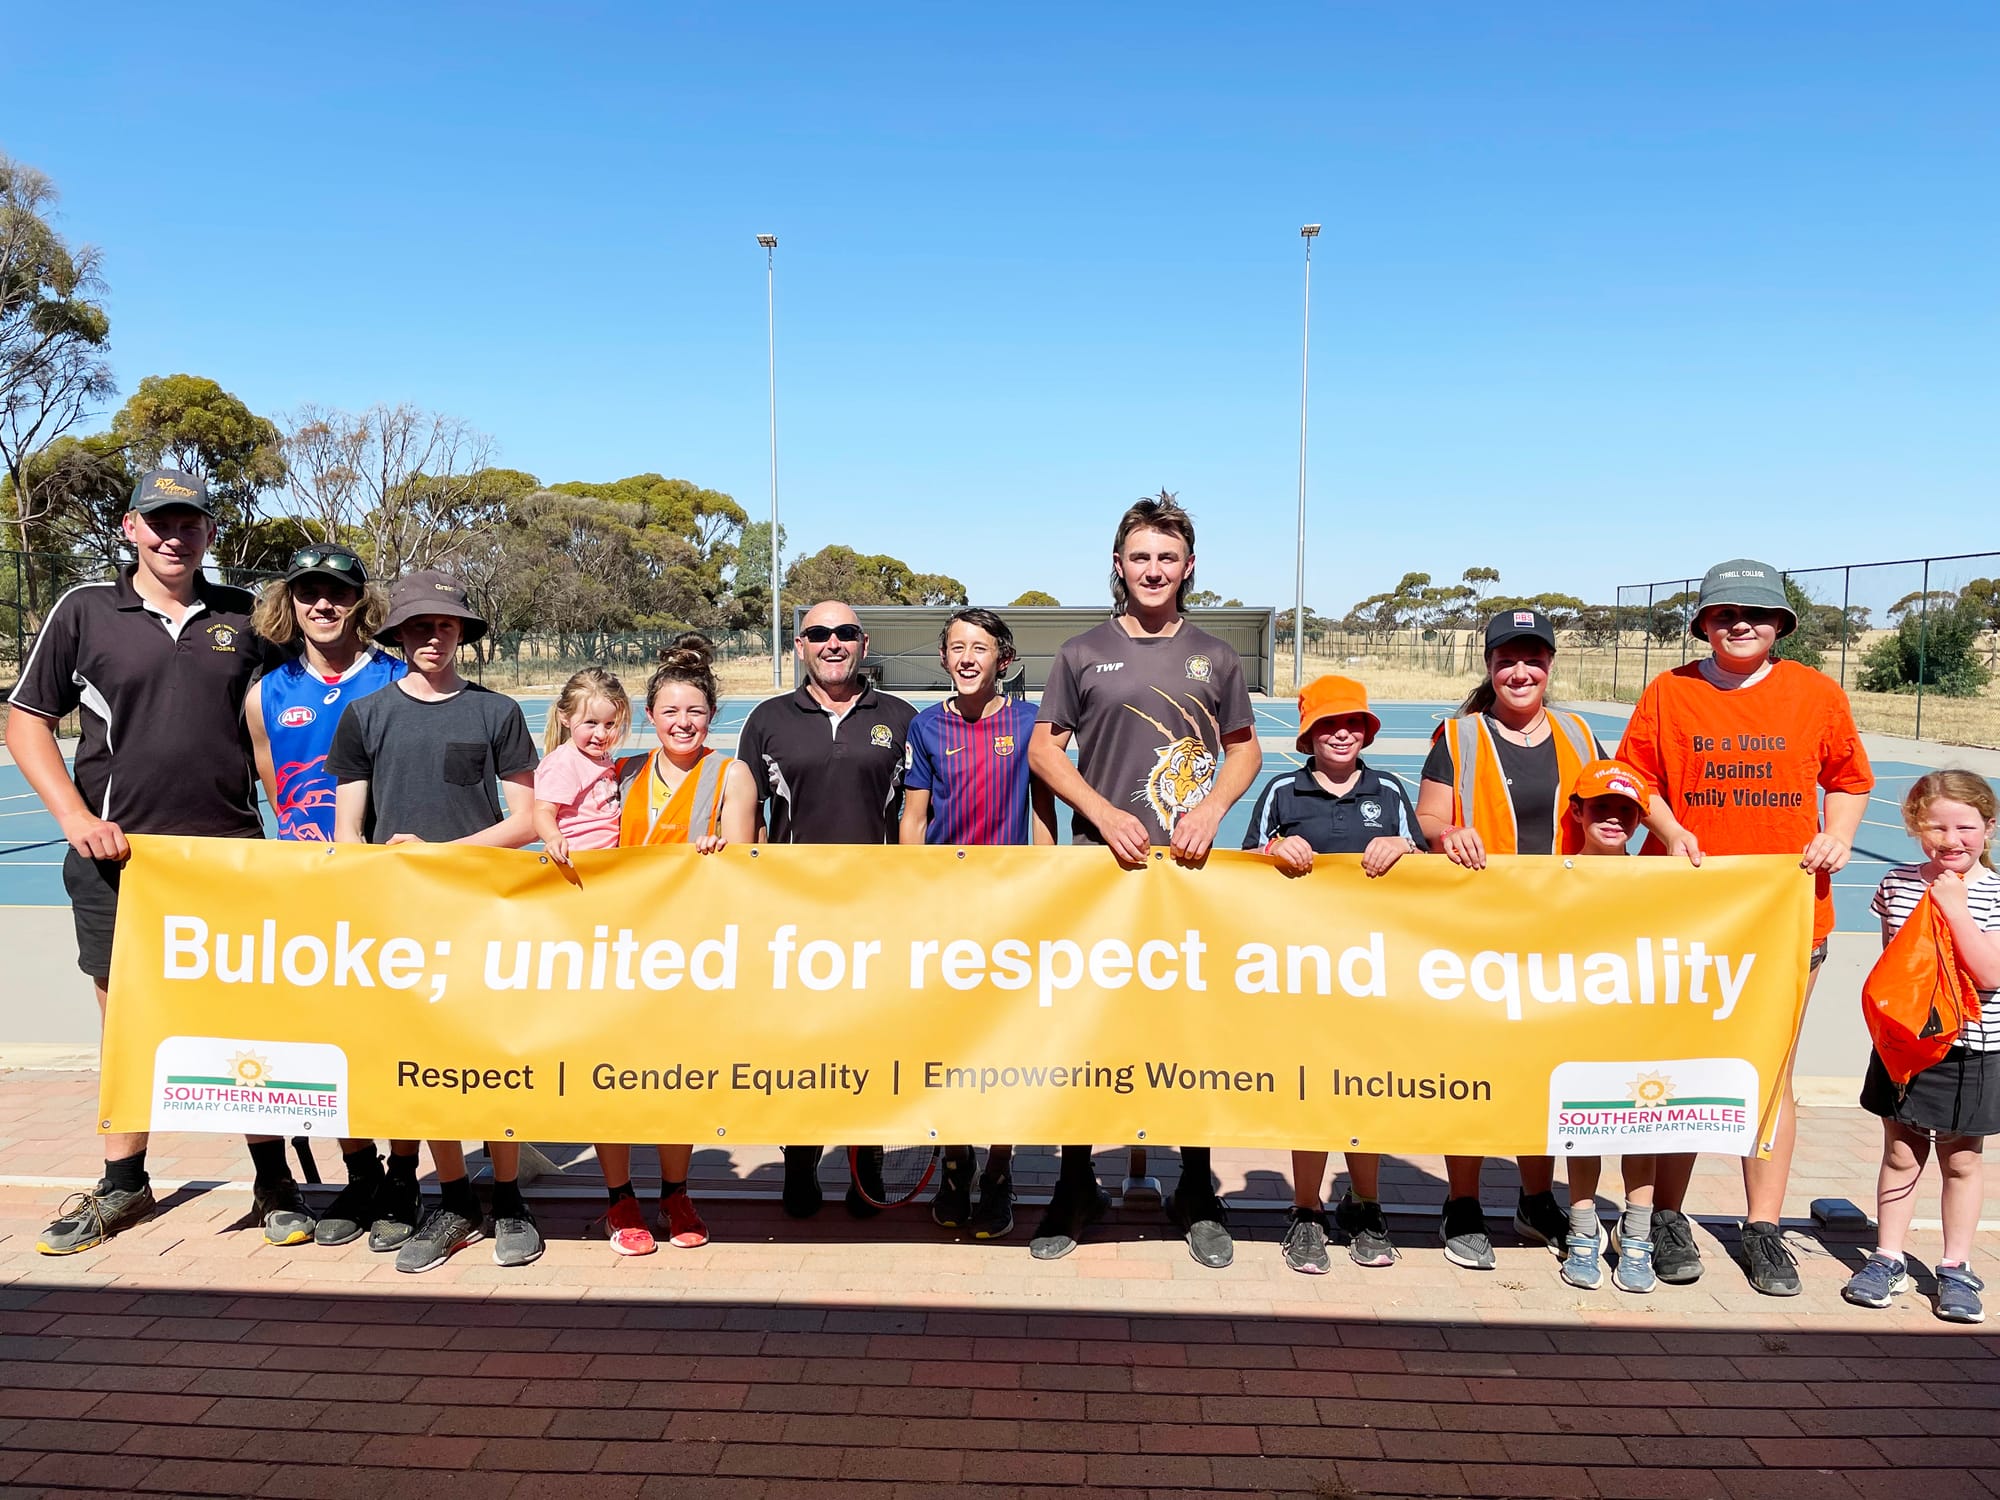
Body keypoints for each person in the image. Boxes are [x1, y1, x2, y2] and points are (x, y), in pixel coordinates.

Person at [7, 470, 303, 1255]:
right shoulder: (85, 610)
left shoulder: (246, 617)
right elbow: (25, 718)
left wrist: (304, 825)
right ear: (131, 528)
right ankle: (124, 1182)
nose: (176, 536)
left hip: (230, 859)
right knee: (127, 1028)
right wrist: (73, 817)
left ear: (210, 532)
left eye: (192, 522)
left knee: (246, 1022)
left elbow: (285, 724)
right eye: (160, 521)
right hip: (123, 863)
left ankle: (274, 1178)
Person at [1618, 558, 1874, 1296]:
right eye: (1727, 612)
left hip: (1787, 913)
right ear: (1703, 622)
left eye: (1759, 614)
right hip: (1687, 915)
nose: (1742, 624)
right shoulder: (1671, 692)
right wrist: (1667, 830)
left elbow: (1850, 780)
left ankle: (1763, 1229)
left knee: (1767, 1074)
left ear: (1781, 626)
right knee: (1678, 1066)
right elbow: (1635, 780)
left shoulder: (1814, 693)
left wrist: (1840, 836)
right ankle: (1666, 1216)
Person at [1027, 494, 1262, 1266]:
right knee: (1084, 1028)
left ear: (1188, 568)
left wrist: (1211, 808)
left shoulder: (1216, 657)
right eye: (1140, 557)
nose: (1153, 570)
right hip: (1102, 870)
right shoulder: (1080, 653)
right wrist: (1102, 811)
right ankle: (1074, 1182)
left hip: (1186, 876)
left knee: (1188, 1031)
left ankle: (1194, 1185)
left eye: (1167, 557)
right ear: (1119, 567)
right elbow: (1045, 751)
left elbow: (1244, 750)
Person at [327, 571, 542, 1273]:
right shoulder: (365, 716)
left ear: (461, 634)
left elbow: (527, 821)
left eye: (445, 625)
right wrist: (375, 886)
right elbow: (349, 831)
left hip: (485, 917)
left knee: (493, 1061)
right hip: (400, 927)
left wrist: (439, 857)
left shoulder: (498, 713)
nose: (432, 636)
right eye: (418, 625)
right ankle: (453, 1198)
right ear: (397, 634)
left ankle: (508, 1196)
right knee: (429, 1065)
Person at [245, 543, 424, 1252]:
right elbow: (274, 792)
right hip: (308, 895)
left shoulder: (397, 677)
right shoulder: (265, 693)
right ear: (290, 602)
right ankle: (360, 1171)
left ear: (360, 601)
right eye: (309, 592)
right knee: (326, 1041)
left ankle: (406, 1172)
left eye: (338, 592)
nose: (323, 604)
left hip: (388, 890)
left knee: (399, 1035)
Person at [1415, 607, 1605, 1269]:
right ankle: (1461, 1203)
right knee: (1471, 1069)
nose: (1519, 671)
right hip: (1479, 931)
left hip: (1560, 931)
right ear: (1490, 666)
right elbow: (1432, 815)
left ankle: (1534, 1198)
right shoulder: (1459, 736)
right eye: (1506, 659)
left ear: (1550, 665)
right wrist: (1448, 834)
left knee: (1544, 1069)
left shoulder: (1581, 735)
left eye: (1533, 659)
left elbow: (1612, 813)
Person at [737, 600, 917, 1218]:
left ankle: (866, 1165)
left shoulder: (901, 718)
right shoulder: (766, 720)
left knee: (869, 1041)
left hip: (876, 917)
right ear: (800, 646)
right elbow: (749, 825)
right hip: (795, 919)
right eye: (818, 634)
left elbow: (915, 821)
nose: (831, 643)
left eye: (843, 633)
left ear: (863, 643)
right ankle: (800, 1159)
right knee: (800, 1045)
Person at [1245, 675, 1422, 1275]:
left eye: (1352, 723)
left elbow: (1427, 870)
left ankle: (1367, 1206)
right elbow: (1241, 867)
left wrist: (1403, 849)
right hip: (1305, 971)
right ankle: (1305, 1211)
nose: (1341, 733)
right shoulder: (1281, 792)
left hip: (1376, 971)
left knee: (1369, 1086)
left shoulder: (1391, 790)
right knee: (1312, 1088)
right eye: (1328, 724)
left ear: (1367, 731)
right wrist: (1273, 853)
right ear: (1309, 735)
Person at [589, 637, 756, 1254]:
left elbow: (744, 863)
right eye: (669, 712)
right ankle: (618, 1198)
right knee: (606, 1073)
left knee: (677, 1075)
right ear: (651, 716)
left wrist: (720, 855)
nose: (683, 723)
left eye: (695, 712)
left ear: (712, 717)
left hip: (689, 949)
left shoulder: (729, 773)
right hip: (617, 945)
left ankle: (676, 1191)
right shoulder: (623, 772)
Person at [899, 607, 1054, 1241]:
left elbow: (1042, 814)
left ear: (1003, 661)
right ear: (944, 659)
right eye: (957, 647)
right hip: (945, 913)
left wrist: (1046, 888)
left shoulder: (1028, 722)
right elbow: (913, 819)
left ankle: (999, 1168)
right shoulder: (925, 726)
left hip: (1012, 911)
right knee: (953, 1044)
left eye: (981, 648)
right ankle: (955, 1160)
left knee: (1006, 1047)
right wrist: (915, 893)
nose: (968, 658)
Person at [1842, 771, 1998, 1324]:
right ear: (1914, 826)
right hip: (1908, 1048)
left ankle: (1956, 1267)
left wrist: (1953, 905)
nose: (1950, 839)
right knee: (1901, 1152)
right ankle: (1887, 1257)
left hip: (1974, 1049)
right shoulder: (1897, 883)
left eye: (1965, 827)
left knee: (1961, 1160)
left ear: (1988, 828)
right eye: (1935, 826)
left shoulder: (1994, 893)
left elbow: (1989, 973)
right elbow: (1894, 970)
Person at [1553, 759, 1659, 1294]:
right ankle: (1581, 1230)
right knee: (1583, 1128)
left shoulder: (1660, 880)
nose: (1613, 819)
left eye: (1626, 810)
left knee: (1643, 1128)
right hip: (1580, 1027)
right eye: (1601, 808)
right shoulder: (1554, 876)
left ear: (1640, 820)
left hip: (1640, 1026)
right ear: (1578, 811)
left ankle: (1635, 1235)